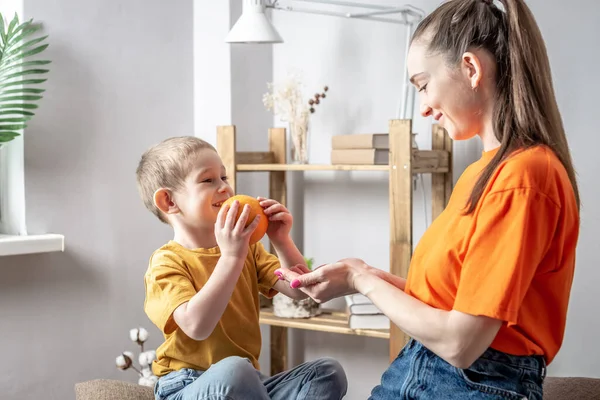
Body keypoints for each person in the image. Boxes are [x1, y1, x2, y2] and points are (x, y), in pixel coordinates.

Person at [275, 0, 580, 398]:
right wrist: (360, 274)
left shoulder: (523, 176)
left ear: (470, 69)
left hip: (473, 382)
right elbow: (452, 303)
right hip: (423, 369)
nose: (423, 107)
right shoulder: (484, 172)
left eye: (423, 84)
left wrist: (361, 280)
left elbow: (461, 344)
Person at [135, 136, 347, 400]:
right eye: (208, 180)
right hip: (186, 385)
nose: (224, 187)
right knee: (235, 370)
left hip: (247, 383)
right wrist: (232, 257)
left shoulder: (248, 248)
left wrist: (281, 239)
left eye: (224, 177)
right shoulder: (166, 262)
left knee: (327, 372)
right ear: (169, 201)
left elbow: (299, 291)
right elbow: (196, 326)